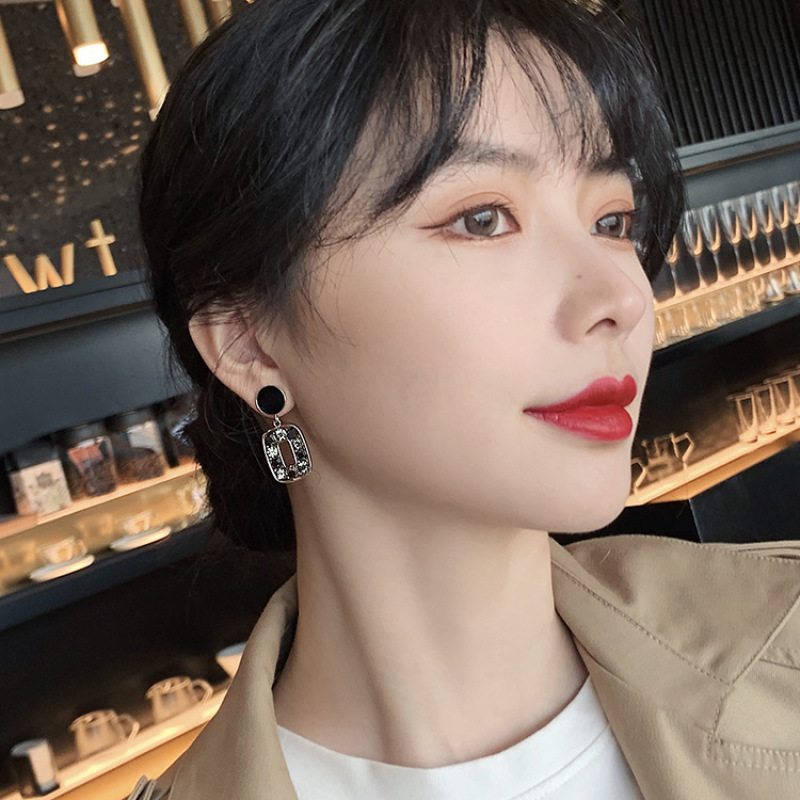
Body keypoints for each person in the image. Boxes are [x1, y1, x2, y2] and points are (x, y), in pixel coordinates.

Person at [127, 1, 800, 798]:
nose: (621, 295)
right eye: (483, 220)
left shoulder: (781, 654)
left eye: (613, 220)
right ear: (248, 342)